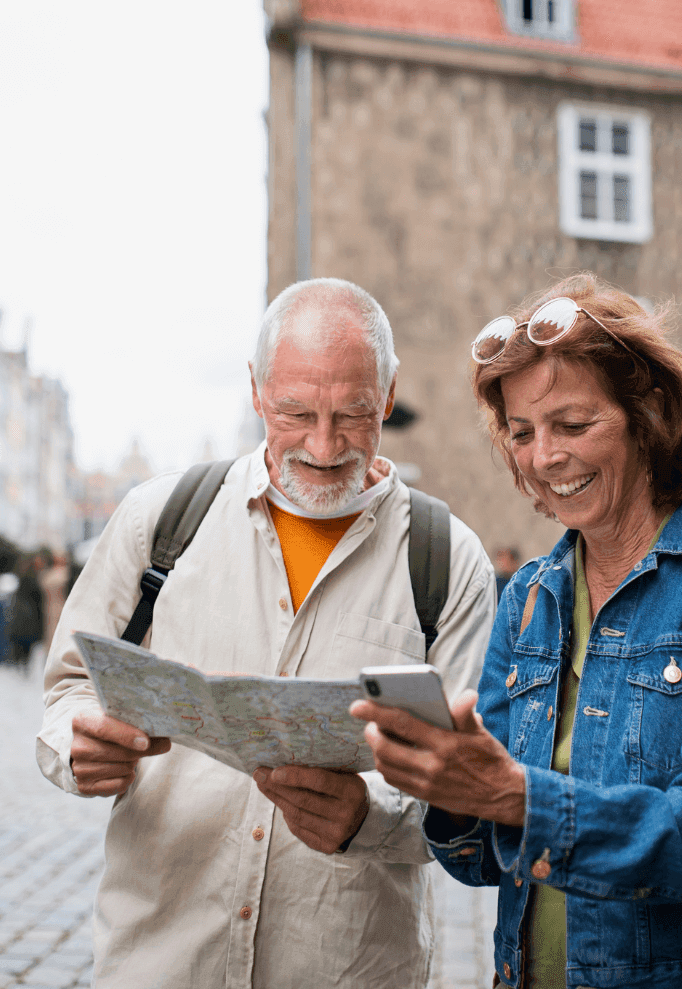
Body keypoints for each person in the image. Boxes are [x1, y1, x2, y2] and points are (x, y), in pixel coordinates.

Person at [352, 274, 682, 989]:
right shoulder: (527, 599)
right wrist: (450, 788)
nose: (545, 457)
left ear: (650, 415)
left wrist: (517, 796)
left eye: (572, 425)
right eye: (521, 433)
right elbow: (480, 861)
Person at [36, 278, 496, 988]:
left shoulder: (445, 559)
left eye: (353, 414)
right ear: (256, 391)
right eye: (294, 412)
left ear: (389, 389)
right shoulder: (157, 521)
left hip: (349, 968)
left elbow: (468, 788)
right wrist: (77, 742)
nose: (322, 444)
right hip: (161, 960)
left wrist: (369, 817)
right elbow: (68, 685)